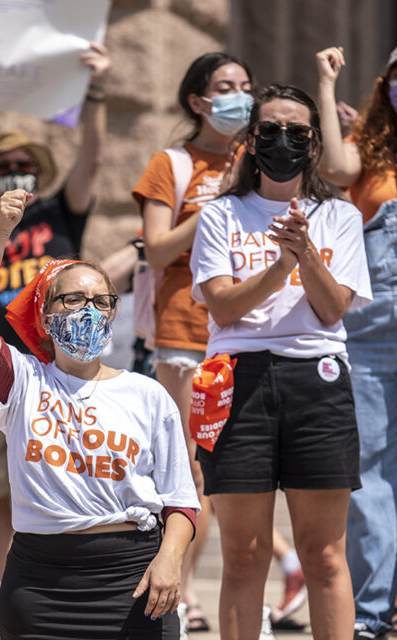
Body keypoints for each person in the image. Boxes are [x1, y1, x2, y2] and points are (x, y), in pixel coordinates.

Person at [0, 187, 200, 639]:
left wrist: (169, 560)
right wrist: (1, 233)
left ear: (112, 314)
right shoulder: (23, 381)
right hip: (40, 583)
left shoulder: (147, 395)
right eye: (71, 300)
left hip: (134, 579)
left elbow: (181, 500)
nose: (87, 310)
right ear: (46, 316)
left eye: (100, 301)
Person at [190, 83, 371, 640]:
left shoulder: (339, 215)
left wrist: (307, 254)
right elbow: (222, 304)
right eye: (270, 130)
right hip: (236, 381)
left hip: (316, 381)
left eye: (296, 132)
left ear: (314, 145)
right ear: (250, 140)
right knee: (244, 556)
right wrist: (279, 264)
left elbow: (332, 307)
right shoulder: (222, 213)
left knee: (324, 556)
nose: (282, 141)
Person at [0, 41, 110, 626]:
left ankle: (70, 578)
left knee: (68, 470)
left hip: (62, 368)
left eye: (24, 164)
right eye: (3, 167)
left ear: (40, 174)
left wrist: (95, 90)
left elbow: (92, 158)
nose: (15, 172)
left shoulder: (60, 213)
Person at [133, 51, 254, 631]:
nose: (239, 95)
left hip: (249, 335)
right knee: (191, 471)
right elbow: (155, 249)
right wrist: (217, 200)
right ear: (198, 101)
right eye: (225, 86)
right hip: (185, 333)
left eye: (245, 85)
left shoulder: (262, 155)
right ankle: (183, 590)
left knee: (238, 472)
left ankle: (214, 587)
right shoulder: (172, 164)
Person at [316, 44, 397, 640]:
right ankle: (370, 615)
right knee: (367, 475)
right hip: (369, 341)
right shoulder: (367, 152)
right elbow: (335, 171)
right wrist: (324, 85)